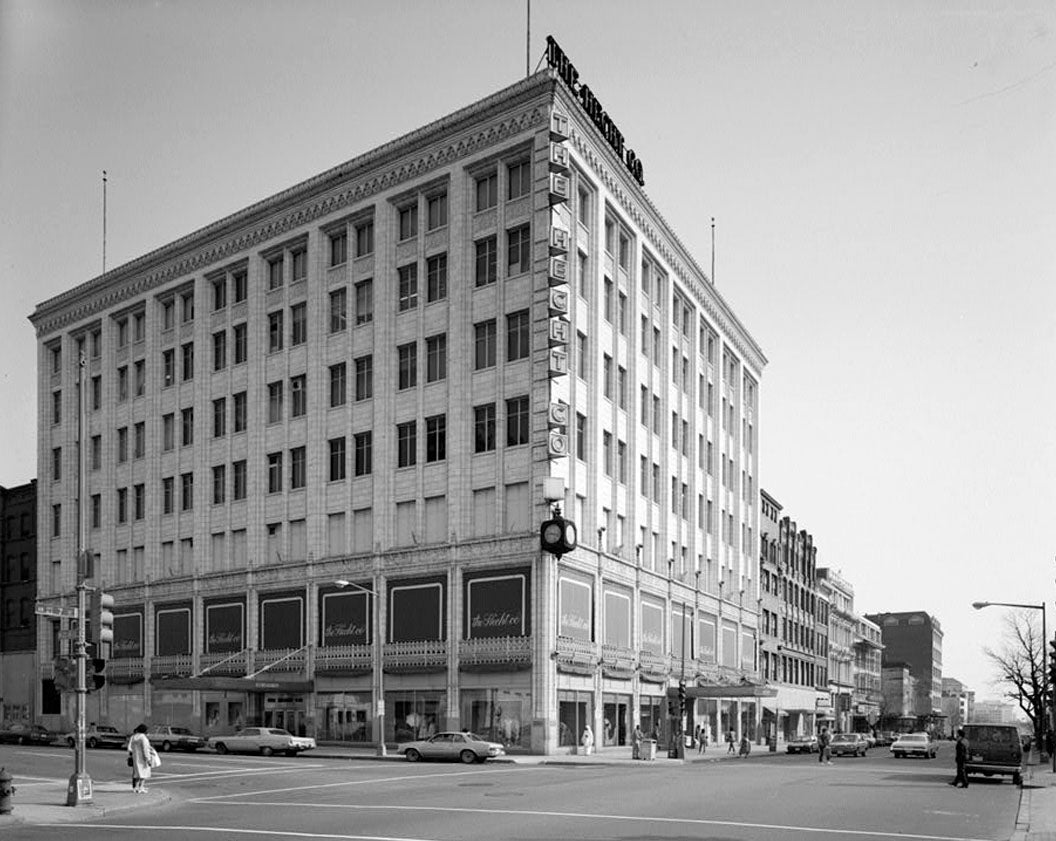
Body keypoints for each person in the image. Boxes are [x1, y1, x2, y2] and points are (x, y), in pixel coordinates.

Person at [127, 723, 157, 793]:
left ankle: (136, 788)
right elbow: (145, 749)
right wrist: (148, 759)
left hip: (135, 758)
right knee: (143, 774)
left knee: (137, 774)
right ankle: (141, 787)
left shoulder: (134, 737)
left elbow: (130, 748)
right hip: (142, 759)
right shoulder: (143, 738)